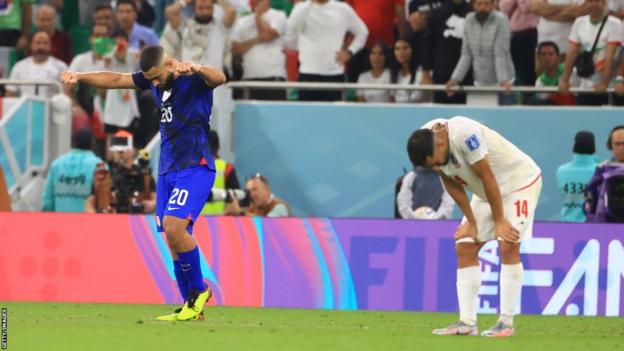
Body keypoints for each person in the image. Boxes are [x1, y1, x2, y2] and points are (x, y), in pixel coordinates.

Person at [61, 44, 227, 321]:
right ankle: (191, 308)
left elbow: (219, 78)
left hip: (195, 166)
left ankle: (199, 291)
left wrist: (196, 66)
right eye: (149, 78)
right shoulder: (153, 80)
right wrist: (80, 76)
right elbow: (115, 79)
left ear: (170, 64)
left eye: (157, 76)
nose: (153, 83)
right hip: (167, 170)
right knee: (173, 241)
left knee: (176, 228)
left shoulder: (193, 79)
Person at [407, 116, 542, 337]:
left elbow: (487, 176)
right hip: (485, 192)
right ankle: (467, 323)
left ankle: (506, 323)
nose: (436, 168)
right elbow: (450, 181)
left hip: (519, 182)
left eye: (434, 163)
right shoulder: (426, 141)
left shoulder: (465, 134)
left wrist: (500, 221)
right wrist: (470, 221)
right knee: (465, 244)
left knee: (508, 241)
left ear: (440, 144)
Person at [285, 0, 368, 101]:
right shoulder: (301, 8)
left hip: (335, 75)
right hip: (307, 74)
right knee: (307, 115)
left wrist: (350, 52)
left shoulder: (343, 9)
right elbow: (288, 35)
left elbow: (362, 32)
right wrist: (303, 49)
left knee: (334, 115)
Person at [446, 0, 515, 105]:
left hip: (503, 83)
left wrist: (503, 81)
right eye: (479, 4)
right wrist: (455, 79)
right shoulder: (469, 20)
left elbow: (500, 53)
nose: (483, 7)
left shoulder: (501, 20)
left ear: (493, 5)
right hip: (480, 82)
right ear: (473, 5)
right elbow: (466, 54)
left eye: (486, 4)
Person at [558, 0, 622, 106]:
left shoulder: (614, 23)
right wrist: (565, 79)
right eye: (590, 1)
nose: (594, 4)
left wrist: (604, 83)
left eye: (597, 1)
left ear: (605, 3)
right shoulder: (579, 22)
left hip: (610, 86)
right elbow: (572, 53)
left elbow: (610, 55)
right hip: (586, 85)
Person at [85, 131, 156, 214]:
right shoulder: (103, 176)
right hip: (108, 222)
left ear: (133, 149)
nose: (120, 152)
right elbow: (90, 202)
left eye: (124, 148)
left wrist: (152, 205)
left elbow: (155, 200)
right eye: (118, 148)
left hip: (136, 223)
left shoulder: (145, 177)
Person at [230, 0, 287, 100]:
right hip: (249, 79)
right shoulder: (242, 21)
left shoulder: (278, 15)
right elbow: (235, 49)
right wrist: (257, 39)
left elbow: (267, 36)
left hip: (274, 77)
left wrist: (257, 16)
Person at [420, 0, 472, 104]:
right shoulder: (437, 13)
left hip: (468, 75)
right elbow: (428, 44)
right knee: (442, 115)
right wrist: (426, 73)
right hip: (441, 74)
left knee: (466, 117)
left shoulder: (472, 12)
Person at [42, 129, 104, 212]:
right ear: (93, 144)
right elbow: (103, 201)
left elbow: (47, 200)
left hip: (60, 222)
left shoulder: (56, 165)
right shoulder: (99, 166)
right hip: (88, 223)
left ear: (73, 143)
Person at [5, 31, 68, 98]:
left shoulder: (61, 66)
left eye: (45, 43)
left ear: (50, 46)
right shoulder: (19, 66)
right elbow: (10, 93)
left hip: (52, 107)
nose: (41, 46)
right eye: (38, 43)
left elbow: (68, 93)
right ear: (31, 45)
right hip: (25, 107)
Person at [584, 125, 624, 222]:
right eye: (617, 144)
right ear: (610, 145)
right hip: (608, 225)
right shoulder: (602, 169)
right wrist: (589, 204)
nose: (621, 148)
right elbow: (589, 195)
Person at [556, 131, 597, 222]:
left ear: (574, 146)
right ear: (594, 147)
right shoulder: (600, 171)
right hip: (593, 227)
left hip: (566, 225)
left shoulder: (561, 171)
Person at [201, 130, 241, 215]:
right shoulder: (226, 168)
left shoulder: (189, 168)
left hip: (194, 222)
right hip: (220, 222)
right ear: (218, 147)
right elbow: (236, 197)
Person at [224, 173, 290, 217]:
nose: (251, 194)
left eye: (254, 189)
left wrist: (241, 213)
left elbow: (268, 225)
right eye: (249, 191)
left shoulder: (280, 207)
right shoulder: (250, 208)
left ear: (266, 190)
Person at [390, 38, 424, 103]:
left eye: (405, 48)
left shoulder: (422, 72)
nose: (401, 52)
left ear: (413, 50)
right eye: (397, 49)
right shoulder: (394, 73)